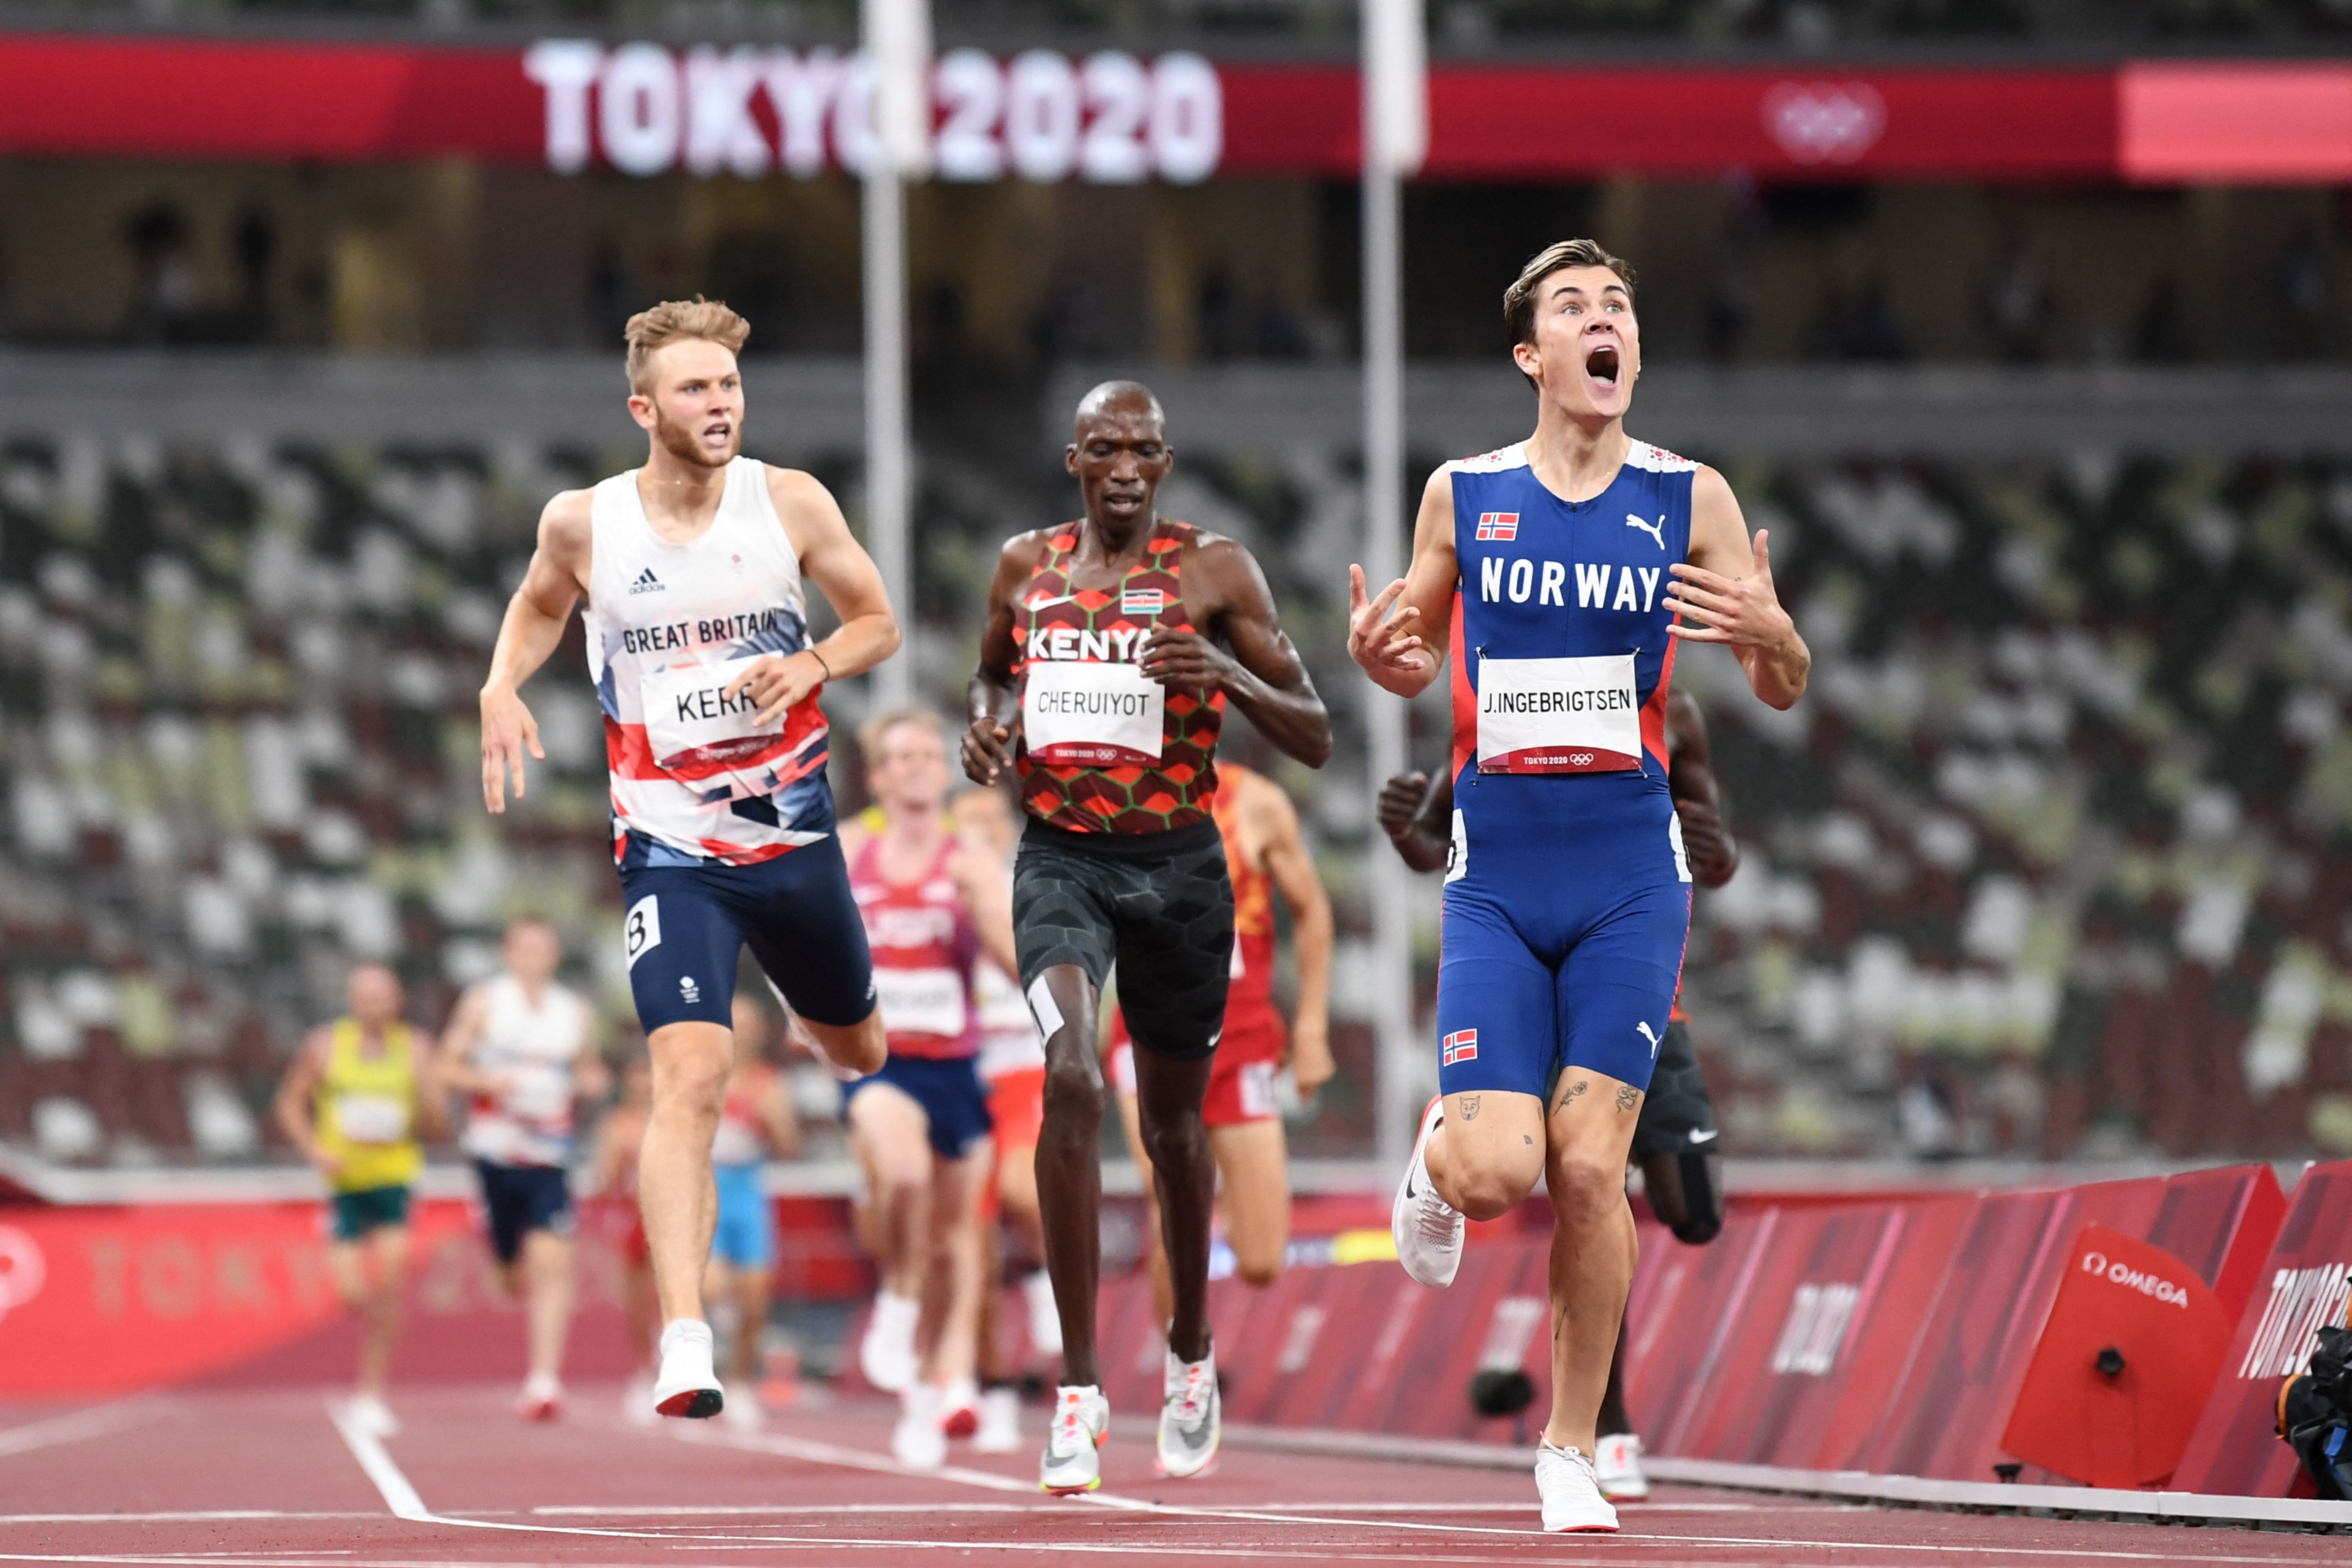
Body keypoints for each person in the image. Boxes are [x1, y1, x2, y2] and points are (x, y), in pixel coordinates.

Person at [1347, 239, 1808, 1533]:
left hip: (1626, 876)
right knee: (1501, 1170)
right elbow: (1407, 657)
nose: (1603, 323)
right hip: (1496, 875)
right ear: (1530, 356)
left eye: (1618, 308)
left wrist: (1778, 641)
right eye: (1573, 308)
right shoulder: (1463, 493)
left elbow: (1779, 677)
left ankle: (1568, 1448)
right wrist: (1380, 659)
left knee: (1591, 1169)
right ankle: (1435, 1167)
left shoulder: (1689, 497)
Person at [479, 296, 895, 1421]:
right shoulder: (586, 523)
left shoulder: (789, 501)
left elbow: (877, 623)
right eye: (698, 390)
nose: (722, 406)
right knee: (691, 1078)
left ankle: (826, 1011)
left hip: (794, 840)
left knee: (860, 1050)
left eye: (731, 388)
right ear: (644, 408)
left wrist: (813, 664)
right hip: (670, 852)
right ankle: (685, 1337)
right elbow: (536, 608)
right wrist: (500, 685)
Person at [963, 380, 1332, 1494]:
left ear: (1164, 463)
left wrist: (1216, 671)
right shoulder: (1024, 568)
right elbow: (990, 673)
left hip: (1178, 871)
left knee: (1176, 1131)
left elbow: (1312, 729)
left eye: (1146, 452)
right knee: (1071, 1075)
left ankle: (1189, 1356)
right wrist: (985, 731)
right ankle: (1078, 1390)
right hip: (1061, 864)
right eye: (1105, 450)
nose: (1126, 468)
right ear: (1075, 459)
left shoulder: (1216, 570)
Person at [1377, 684, 1737, 1502]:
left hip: (1638, 989)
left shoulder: (1675, 708)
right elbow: (1436, 837)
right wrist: (1406, 827)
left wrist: (1714, 850)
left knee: (1693, 1208)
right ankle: (1603, 1428)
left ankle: (1592, 1432)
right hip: (1530, 989)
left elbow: (1718, 852)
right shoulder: (1506, 689)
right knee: (1585, 1178)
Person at [838, 709, 1020, 1468]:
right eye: (897, 755)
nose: (913, 764)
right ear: (878, 776)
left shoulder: (969, 860)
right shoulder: (848, 850)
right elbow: (795, 938)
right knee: (904, 1176)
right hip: (881, 1063)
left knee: (961, 1240)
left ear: (941, 771)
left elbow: (1016, 965)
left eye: (924, 753)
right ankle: (899, 1300)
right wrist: (803, 1014)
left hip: (956, 1065)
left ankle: (941, 1385)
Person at [1107, 757, 1335, 1324]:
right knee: (1175, 1202)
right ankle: (1187, 1370)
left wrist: (1310, 1029)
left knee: (1261, 1258)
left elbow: (1311, 912)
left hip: (1242, 1041)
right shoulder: (1108, 795)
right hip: (1149, 1036)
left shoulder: (1255, 802)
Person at [436, 918, 607, 1421]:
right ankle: (503, 1255)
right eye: (525, 947)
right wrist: (490, 1080)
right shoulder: (485, 1002)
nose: (534, 956)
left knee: (553, 1265)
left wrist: (590, 1084)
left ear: (555, 954)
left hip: (550, 1156)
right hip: (494, 1151)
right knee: (511, 1270)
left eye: (544, 947)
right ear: (508, 952)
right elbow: (446, 1067)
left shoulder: (573, 1011)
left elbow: (590, 1071)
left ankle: (544, 1380)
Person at [273, 963, 445, 1438]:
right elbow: (289, 1103)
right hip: (345, 1184)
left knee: (390, 1288)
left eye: (384, 996)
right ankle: (369, 1368)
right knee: (353, 1293)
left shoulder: (415, 1047)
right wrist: (314, 1149)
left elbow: (437, 1127)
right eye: (367, 997)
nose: (376, 1005)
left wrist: (432, 1098)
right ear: (352, 1000)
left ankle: (371, 1394)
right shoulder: (325, 1045)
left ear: (398, 1001)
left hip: (394, 1179)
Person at [950, 783, 1062, 1456]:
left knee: (1025, 1190)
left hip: (1024, 1067)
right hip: (965, 1075)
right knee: (974, 1240)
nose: (979, 833)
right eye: (967, 823)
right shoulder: (937, 890)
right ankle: (993, 1385)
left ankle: (1050, 1284)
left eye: (991, 820)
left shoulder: (1035, 876)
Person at [706, 990, 800, 1426]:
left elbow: (790, 1148)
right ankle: (703, 1339)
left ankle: (740, 1379)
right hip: (708, 1188)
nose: (741, 1035)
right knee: (714, 1288)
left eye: (749, 1027)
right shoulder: (702, 1074)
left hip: (748, 1191)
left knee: (756, 1301)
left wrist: (774, 1120)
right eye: (734, 1025)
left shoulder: (770, 1083)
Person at [588, 1050, 661, 1421]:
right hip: (635, 1215)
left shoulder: (676, 1117)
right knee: (638, 1302)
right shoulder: (617, 1123)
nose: (643, 1083)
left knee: (685, 1293)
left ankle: (679, 1367)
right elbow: (603, 1179)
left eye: (649, 1074)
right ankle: (643, 1374)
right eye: (637, 1075)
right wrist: (620, 1155)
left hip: (674, 1215)